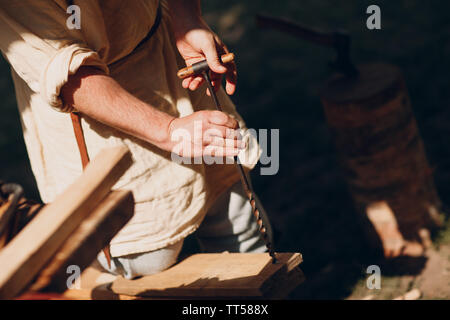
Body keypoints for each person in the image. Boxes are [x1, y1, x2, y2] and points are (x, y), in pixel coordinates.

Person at [0, 0, 272, 279]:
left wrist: (187, 20)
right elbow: (68, 74)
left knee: (242, 235)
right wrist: (168, 132)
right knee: (147, 265)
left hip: (170, 57)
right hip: (104, 130)